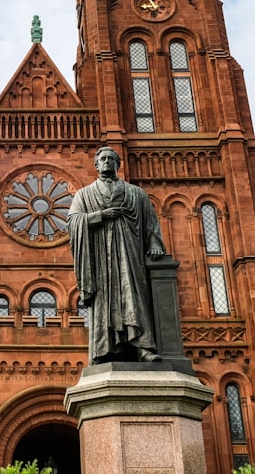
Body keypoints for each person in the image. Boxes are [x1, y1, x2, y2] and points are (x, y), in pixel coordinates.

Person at [69, 146, 165, 364]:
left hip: (129, 255)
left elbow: (151, 222)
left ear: (118, 164)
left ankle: (143, 348)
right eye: (102, 159)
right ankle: (106, 350)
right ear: (96, 165)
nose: (107, 162)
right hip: (100, 258)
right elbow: (73, 221)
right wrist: (100, 216)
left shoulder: (136, 193)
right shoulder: (83, 195)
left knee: (134, 296)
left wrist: (154, 243)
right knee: (104, 301)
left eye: (111, 159)